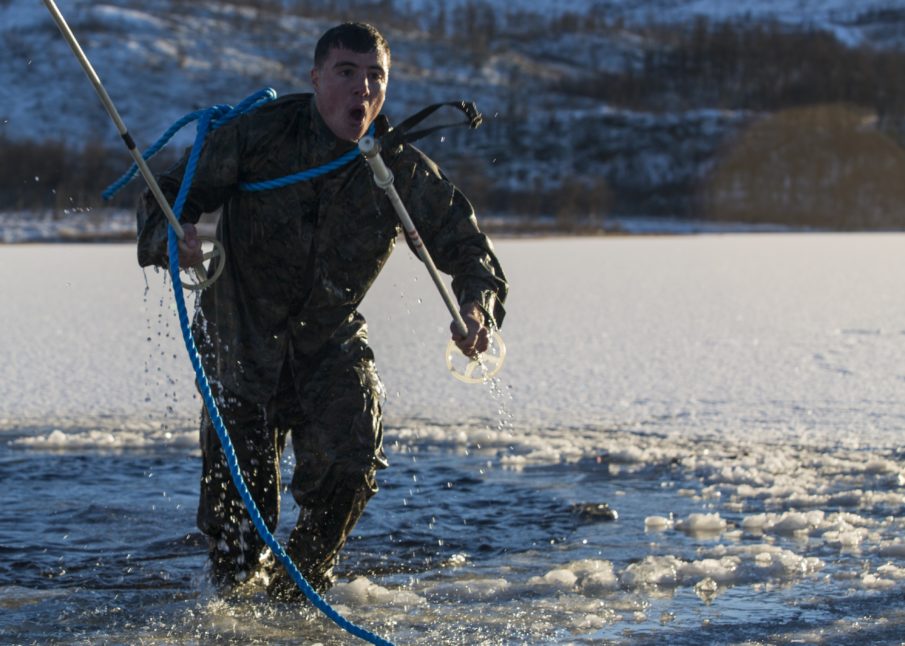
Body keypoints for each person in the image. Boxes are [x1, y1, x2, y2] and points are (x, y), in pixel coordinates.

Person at [135, 22, 507, 600]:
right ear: (315, 79)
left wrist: (477, 308)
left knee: (354, 461)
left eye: (375, 76)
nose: (362, 88)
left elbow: (468, 247)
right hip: (241, 343)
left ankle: (299, 589)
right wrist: (172, 235)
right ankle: (231, 607)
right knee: (241, 520)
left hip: (327, 343)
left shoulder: (397, 167)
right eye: (346, 73)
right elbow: (166, 193)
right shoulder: (257, 136)